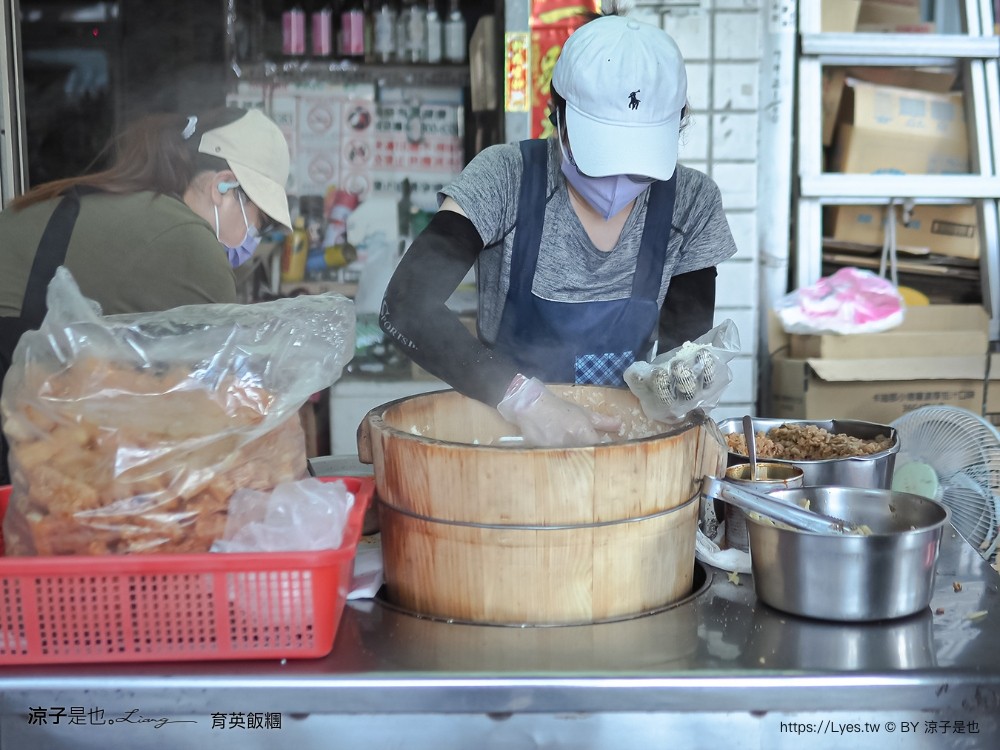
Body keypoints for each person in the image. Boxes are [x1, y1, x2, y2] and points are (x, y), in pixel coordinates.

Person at [379, 9, 738, 447]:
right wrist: (523, 399)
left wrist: (692, 396)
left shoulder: (691, 204)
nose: (616, 181)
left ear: (676, 127)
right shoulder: (504, 179)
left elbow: (682, 362)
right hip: (508, 442)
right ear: (558, 115)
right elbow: (405, 308)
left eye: (638, 163)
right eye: (601, 156)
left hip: (624, 448)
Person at [0, 106, 292, 483]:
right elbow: (214, 407)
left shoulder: (110, 201)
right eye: (260, 221)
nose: (254, 236)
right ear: (224, 187)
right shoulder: (188, 240)